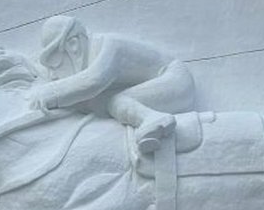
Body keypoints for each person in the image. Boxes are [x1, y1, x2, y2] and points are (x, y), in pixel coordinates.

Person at [31, 15, 196, 153]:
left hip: (175, 80)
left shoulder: (110, 45)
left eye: (55, 62)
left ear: (73, 45)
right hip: (159, 81)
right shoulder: (91, 53)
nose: (53, 74)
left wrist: (51, 93)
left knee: (116, 101)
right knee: (103, 102)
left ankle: (153, 119)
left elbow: (93, 81)